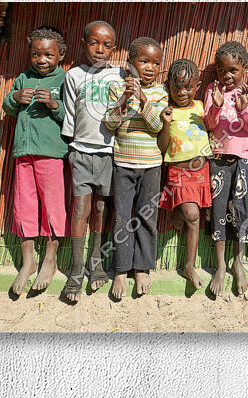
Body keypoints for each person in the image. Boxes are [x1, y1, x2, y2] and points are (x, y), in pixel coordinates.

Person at [1, 26, 70, 297]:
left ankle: (50, 260)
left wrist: (54, 105)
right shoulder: (23, 78)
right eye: (36, 54)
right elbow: (8, 106)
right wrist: (15, 98)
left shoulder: (64, 80)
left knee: (52, 206)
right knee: (24, 204)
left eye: (48, 55)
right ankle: (28, 261)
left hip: (51, 153)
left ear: (61, 55)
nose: (41, 60)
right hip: (23, 152)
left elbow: (71, 117)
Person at [60, 20, 124, 302]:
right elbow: (70, 116)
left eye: (107, 45)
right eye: (94, 43)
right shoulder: (74, 75)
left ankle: (95, 262)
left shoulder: (120, 75)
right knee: (81, 209)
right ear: (83, 44)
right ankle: (76, 270)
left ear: (114, 48)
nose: (100, 49)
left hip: (109, 152)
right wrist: (72, 150)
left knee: (100, 208)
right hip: (81, 151)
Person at [103, 37, 168, 300]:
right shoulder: (118, 88)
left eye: (156, 63)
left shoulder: (161, 92)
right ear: (130, 63)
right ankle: (120, 270)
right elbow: (109, 123)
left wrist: (141, 98)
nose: (150, 67)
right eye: (144, 61)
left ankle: (142, 268)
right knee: (121, 217)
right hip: (123, 163)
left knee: (146, 217)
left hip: (151, 165)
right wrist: (124, 99)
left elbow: (157, 125)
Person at [203, 41, 248, 297]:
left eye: (233, 70)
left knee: (241, 211)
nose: (227, 75)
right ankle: (220, 265)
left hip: (241, 161)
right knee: (219, 213)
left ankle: (237, 262)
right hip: (218, 160)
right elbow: (209, 124)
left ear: (244, 69)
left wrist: (242, 110)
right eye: (222, 71)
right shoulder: (212, 90)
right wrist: (217, 106)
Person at [157, 59, 212, 290]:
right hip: (178, 171)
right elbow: (162, 147)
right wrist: (166, 124)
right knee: (192, 214)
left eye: (188, 87)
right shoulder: (168, 111)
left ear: (197, 86)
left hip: (201, 172)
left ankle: (177, 212)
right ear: (169, 86)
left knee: (193, 215)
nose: (182, 92)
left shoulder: (201, 107)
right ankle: (189, 265)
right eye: (176, 87)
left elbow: (213, 128)